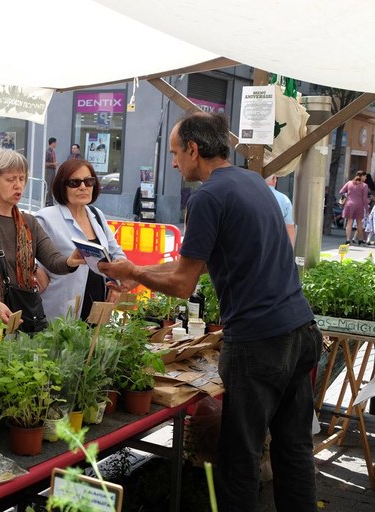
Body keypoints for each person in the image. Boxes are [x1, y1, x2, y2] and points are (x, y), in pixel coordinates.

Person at [98, 112, 322, 512]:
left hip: (258, 342)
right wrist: (139, 274)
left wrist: (134, 271)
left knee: (239, 460)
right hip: (300, 330)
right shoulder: (252, 182)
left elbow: (183, 285)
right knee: (293, 450)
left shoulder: (206, 197)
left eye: (174, 153)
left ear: (193, 149)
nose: (173, 163)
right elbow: (195, 263)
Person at [0, 148, 82, 326]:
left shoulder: (29, 222)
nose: (18, 185)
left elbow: (53, 260)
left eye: (22, 178)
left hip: (22, 318)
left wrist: (71, 261)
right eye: (10, 179)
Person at [35, 159, 126, 321]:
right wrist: (34, 269)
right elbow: (21, 250)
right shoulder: (46, 217)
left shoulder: (96, 215)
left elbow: (117, 253)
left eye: (89, 181)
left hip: (97, 306)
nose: (83, 187)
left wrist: (116, 283)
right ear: (62, 186)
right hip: (59, 308)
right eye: (74, 182)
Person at [265, 174, 296, 247]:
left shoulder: (248, 195)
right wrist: (290, 250)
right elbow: (289, 228)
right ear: (274, 179)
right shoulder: (284, 199)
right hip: (275, 246)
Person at [339, 169, 369, 245]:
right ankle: (360, 239)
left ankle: (348, 239)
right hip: (359, 205)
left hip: (349, 204)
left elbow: (341, 191)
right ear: (361, 176)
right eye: (365, 176)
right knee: (359, 222)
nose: (366, 178)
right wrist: (366, 209)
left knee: (349, 222)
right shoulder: (364, 185)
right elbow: (365, 199)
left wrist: (347, 195)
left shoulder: (349, 183)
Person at [44, 137, 57, 206]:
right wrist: (53, 164)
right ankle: (46, 201)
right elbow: (45, 163)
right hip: (48, 170)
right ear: (52, 143)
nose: (56, 144)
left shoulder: (52, 152)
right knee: (48, 186)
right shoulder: (47, 152)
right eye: (55, 143)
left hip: (53, 170)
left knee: (52, 186)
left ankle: (50, 201)